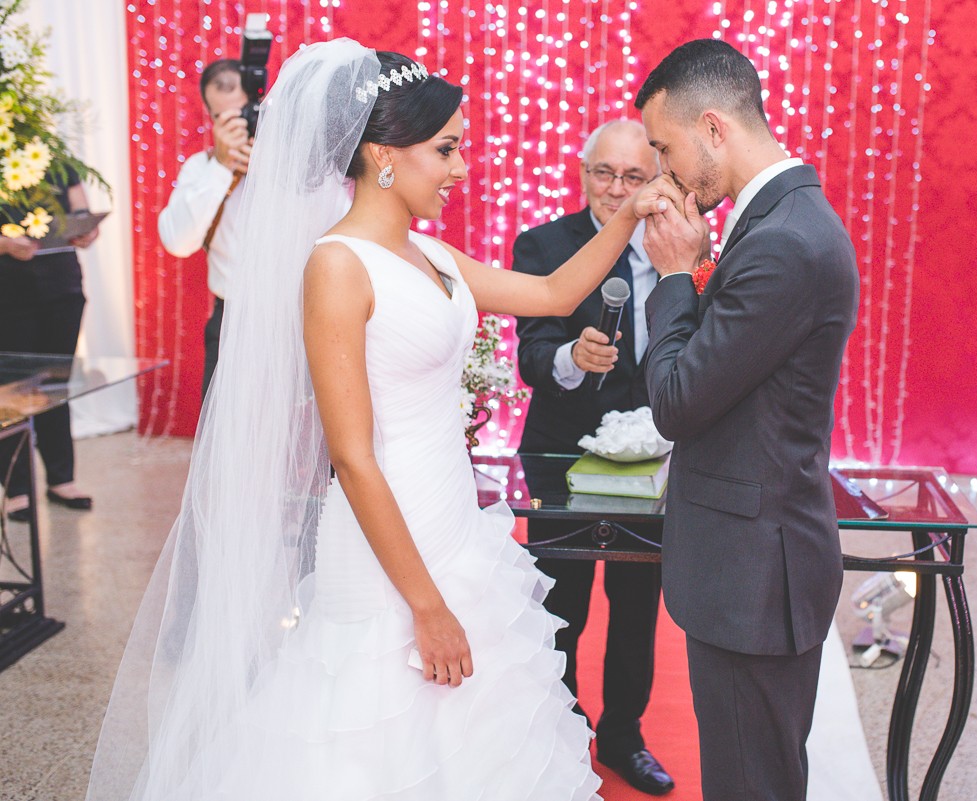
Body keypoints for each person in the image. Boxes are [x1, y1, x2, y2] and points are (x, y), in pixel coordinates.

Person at [86, 40, 673, 801]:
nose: (462, 167)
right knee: (370, 724)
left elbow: (558, 292)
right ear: (383, 154)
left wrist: (629, 210)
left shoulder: (432, 255)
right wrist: (426, 606)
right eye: (448, 149)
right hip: (381, 541)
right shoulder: (336, 266)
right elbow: (353, 457)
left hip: (451, 521)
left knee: (463, 733)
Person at [634, 40, 860, 800]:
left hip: (755, 576)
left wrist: (672, 275)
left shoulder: (785, 242)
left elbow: (676, 401)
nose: (665, 170)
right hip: (755, 562)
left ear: (713, 128)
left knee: (750, 784)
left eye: (665, 147)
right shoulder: (779, 218)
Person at [513, 119, 674, 795]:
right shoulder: (543, 244)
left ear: (655, 183)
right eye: (603, 173)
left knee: (637, 609)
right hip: (562, 454)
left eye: (633, 176)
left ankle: (622, 735)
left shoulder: (677, 246)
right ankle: (562, 730)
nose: (615, 189)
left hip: (653, 462)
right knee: (562, 606)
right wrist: (570, 359)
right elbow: (530, 353)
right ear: (583, 173)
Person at [0, 171, 100, 522]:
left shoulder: (55, 158)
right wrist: (5, 244)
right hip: (8, 288)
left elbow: (79, 206)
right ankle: (16, 488)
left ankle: (61, 478)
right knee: (11, 391)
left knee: (57, 383)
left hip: (61, 285)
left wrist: (86, 228)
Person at [157, 59, 252, 400]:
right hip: (231, 319)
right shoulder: (201, 168)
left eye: (241, 113)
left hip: (301, 318)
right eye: (221, 118)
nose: (234, 126)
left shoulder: (302, 166)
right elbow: (178, 242)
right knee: (223, 442)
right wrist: (223, 167)